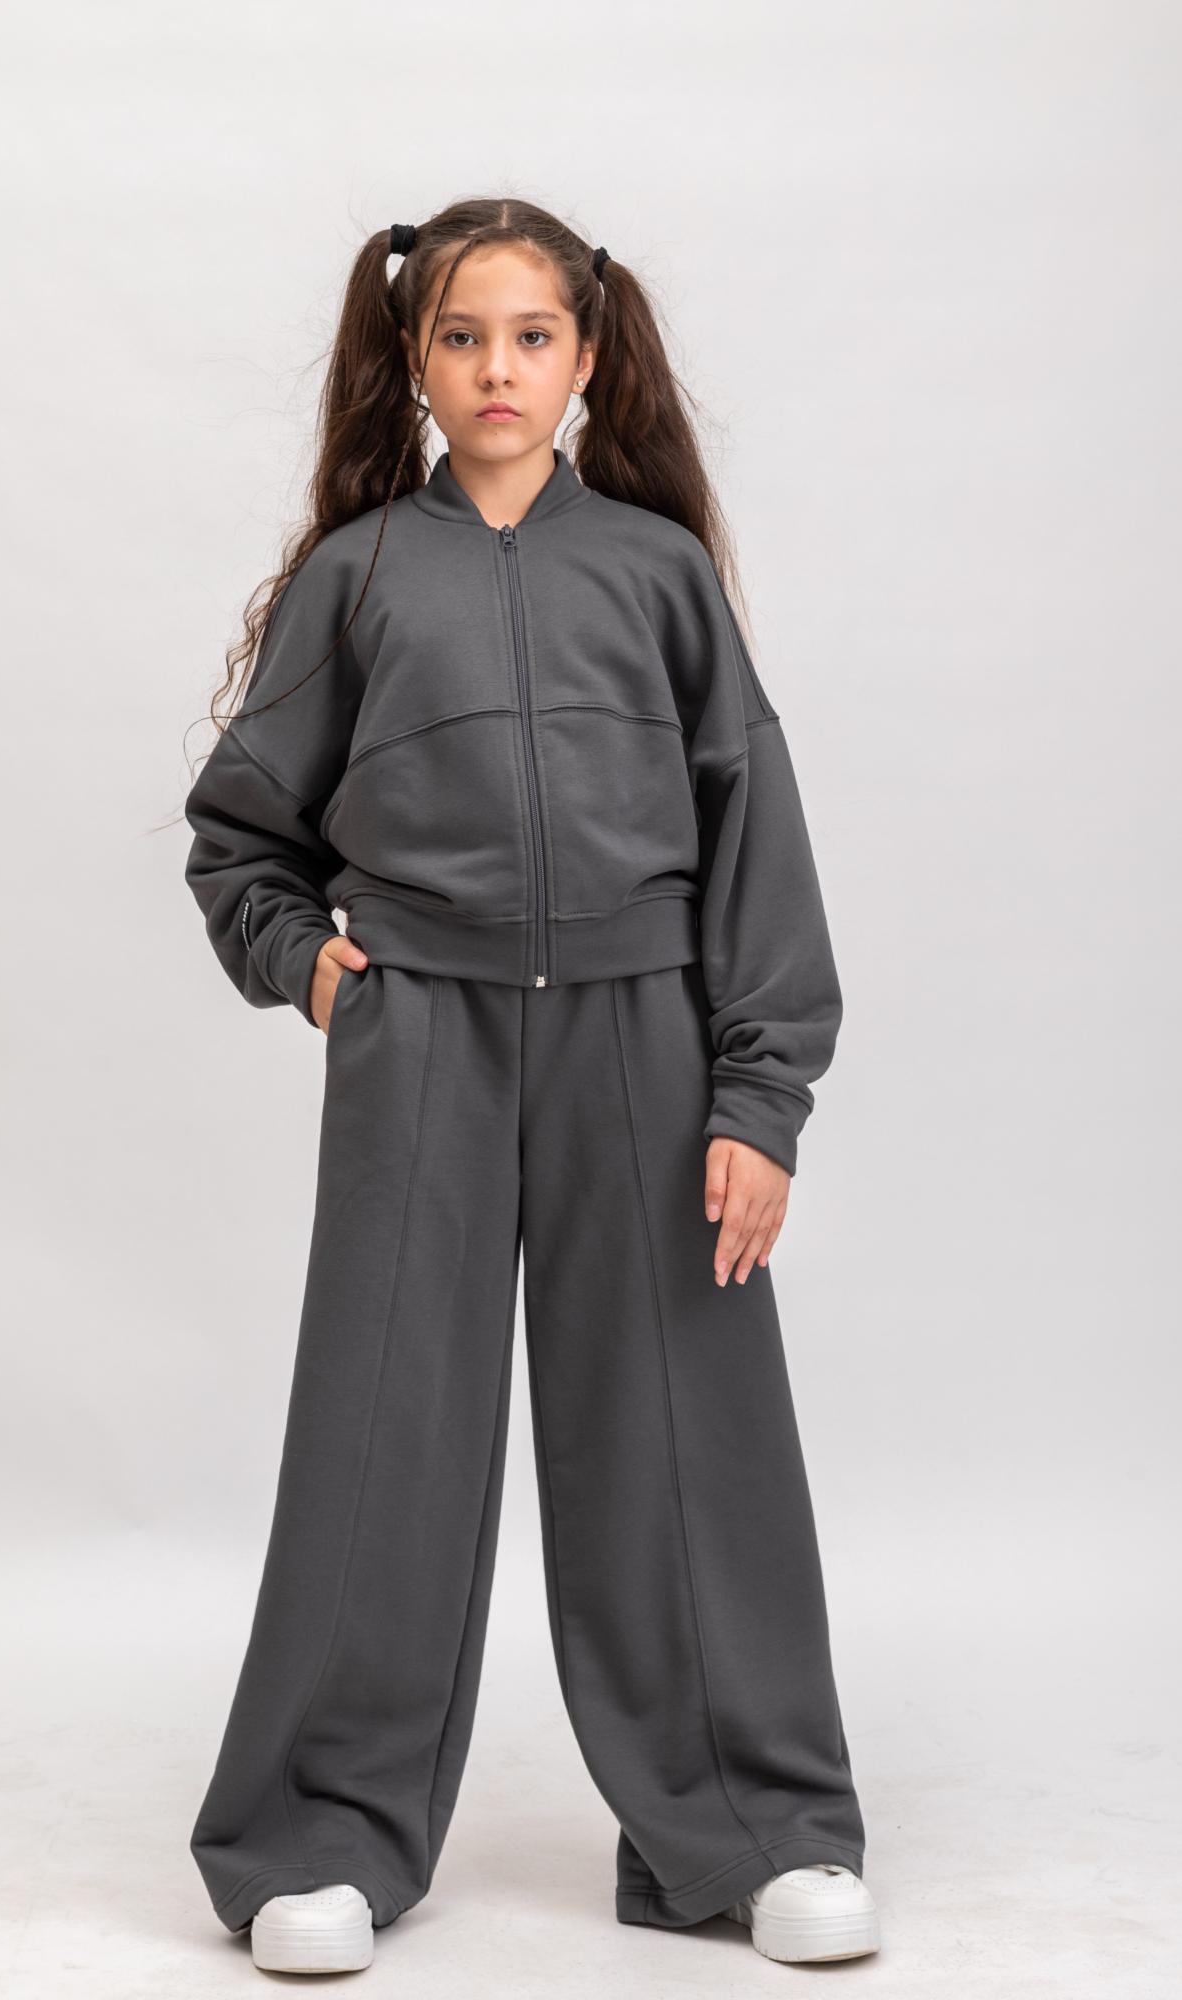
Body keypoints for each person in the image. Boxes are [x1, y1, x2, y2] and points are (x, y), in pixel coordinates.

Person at [180, 198, 880, 1977]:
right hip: (423, 1036)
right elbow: (239, 836)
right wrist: (304, 961)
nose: (497, 369)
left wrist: (758, 1101)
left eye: (531, 336)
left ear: (585, 356)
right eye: (461, 337)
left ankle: (752, 1830)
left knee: (685, 1434)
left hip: (641, 1043)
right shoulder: (358, 578)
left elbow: (753, 843)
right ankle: (319, 1838)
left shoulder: (654, 573)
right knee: (381, 1431)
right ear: (413, 362)